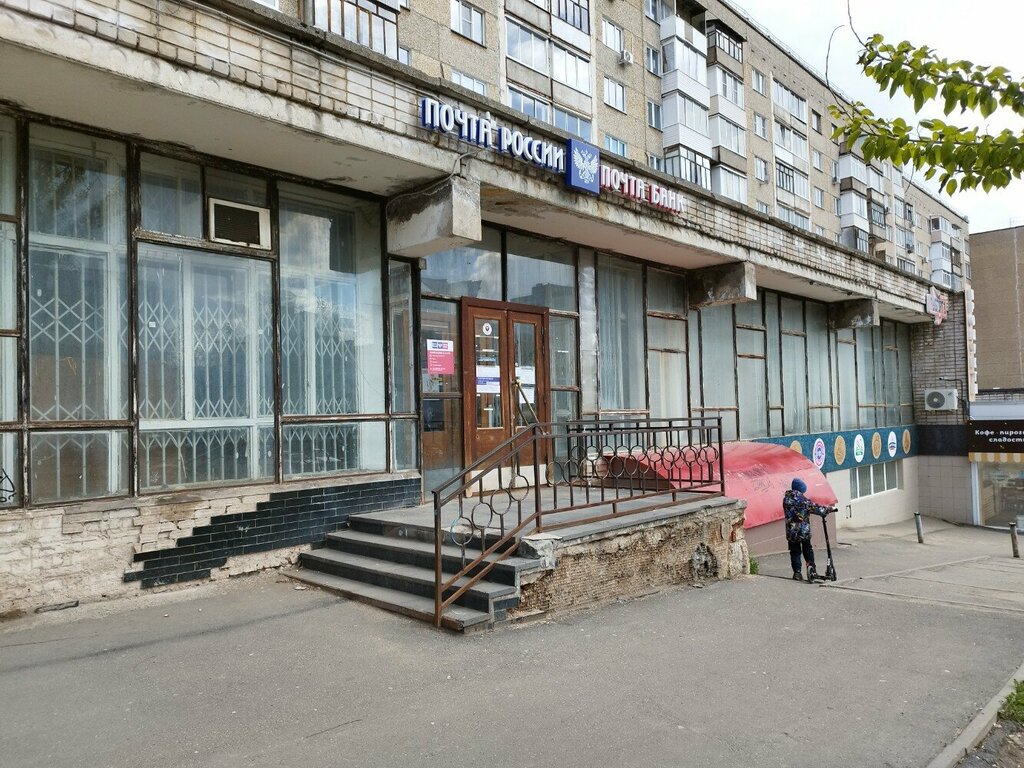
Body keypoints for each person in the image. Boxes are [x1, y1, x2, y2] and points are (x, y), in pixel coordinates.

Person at [783, 477, 831, 581]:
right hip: (803, 531)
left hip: (791, 532)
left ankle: (797, 573)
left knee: (795, 552)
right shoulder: (802, 500)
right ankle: (812, 570)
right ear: (801, 489)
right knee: (807, 550)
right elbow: (815, 508)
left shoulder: (786, 499)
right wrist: (828, 509)